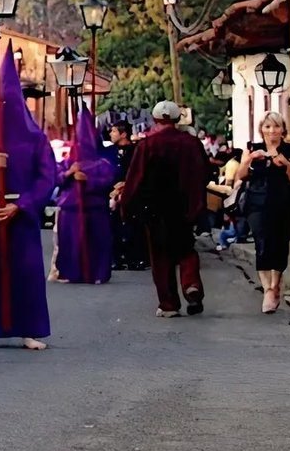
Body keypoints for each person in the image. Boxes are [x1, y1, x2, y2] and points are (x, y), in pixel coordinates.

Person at [0, 47, 56, 350]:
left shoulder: (36, 140)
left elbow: (47, 177)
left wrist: (22, 205)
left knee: (25, 270)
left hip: (21, 212)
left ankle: (28, 329)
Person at [119, 102, 208, 318]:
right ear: (177, 120)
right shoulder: (192, 143)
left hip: (155, 209)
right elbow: (205, 171)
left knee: (161, 256)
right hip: (185, 207)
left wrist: (127, 206)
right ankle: (191, 283)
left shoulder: (147, 145)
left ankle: (169, 305)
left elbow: (135, 178)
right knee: (186, 248)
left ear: (155, 119)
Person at [235, 113, 290, 313]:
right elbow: (241, 175)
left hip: (282, 203)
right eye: (268, 127)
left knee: (279, 244)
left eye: (276, 127)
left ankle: (276, 284)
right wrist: (249, 160)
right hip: (256, 203)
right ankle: (267, 289)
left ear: (283, 130)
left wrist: (287, 164)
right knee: (261, 242)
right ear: (261, 129)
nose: (272, 131)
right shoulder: (252, 148)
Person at [54, 105, 116, 285]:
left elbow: (107, 180)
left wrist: (87, 180)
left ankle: (96, 272)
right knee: (71, 244)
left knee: (96, 243)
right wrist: (68, 174)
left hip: (94, 208)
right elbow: (54, 179)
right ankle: (70, 271)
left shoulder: (101, 163)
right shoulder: (67, 162)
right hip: (71, 208)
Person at [108, 121, 148, 271]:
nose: (111, 134)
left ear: (123, 134)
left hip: (132, 194)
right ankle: (115, 258)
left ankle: (135, 258)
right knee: (113, 226)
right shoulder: (110, 152)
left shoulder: (136, 152)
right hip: (112, 194)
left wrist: (125, 186)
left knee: (134, 227)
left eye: (114, 131)